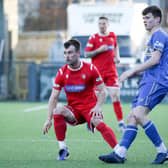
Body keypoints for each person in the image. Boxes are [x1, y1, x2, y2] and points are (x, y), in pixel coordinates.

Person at [98, 5, 168, 164]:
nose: (145, 21)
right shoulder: (152, 38)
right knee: (132, 117)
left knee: (138, 114)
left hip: (156, 82)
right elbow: (154, 64)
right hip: (148, 81)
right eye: (143, 18)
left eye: (148, 18)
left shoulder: (159, 35)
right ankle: (120, 154)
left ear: (157, 19)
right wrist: (132, 73)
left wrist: (131, 71)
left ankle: (162, 151)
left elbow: (155, 60)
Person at [43, 39, 118, 160]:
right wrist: (48, 119)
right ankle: (63, 149)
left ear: (78, 53)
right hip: (74, 111)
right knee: (57, 111)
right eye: (65, 53)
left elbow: (103, 91)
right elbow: (54, 97)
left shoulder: (91, 69)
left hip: (90, 108)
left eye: (70, 52)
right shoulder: (62, 72)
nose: (67, 56)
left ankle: (118, 151)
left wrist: (98, 107)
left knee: (98, 122)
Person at [85, 16, 125, 132]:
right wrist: (99, 50)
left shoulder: (112, 35)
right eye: (100, 24)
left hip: (111, 72)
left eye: (104, 24)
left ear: (108, 25)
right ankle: (91, 121)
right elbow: (86, 54)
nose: (102, 26)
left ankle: (121, 123)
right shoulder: (94, 38)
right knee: (97, 99)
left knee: (115, 95)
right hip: (98, 73)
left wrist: (117, 57)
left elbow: (116, 46)